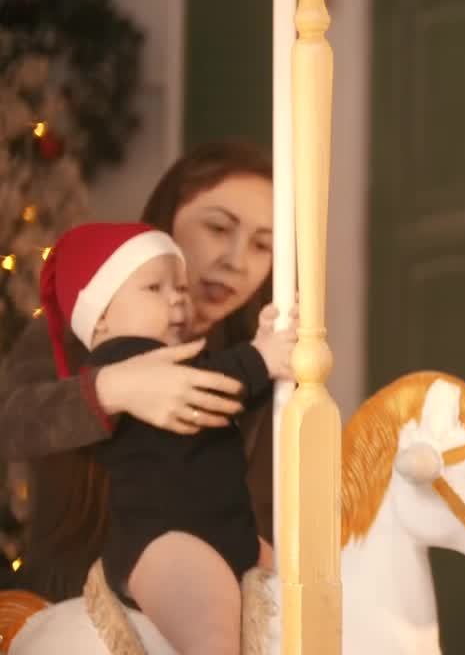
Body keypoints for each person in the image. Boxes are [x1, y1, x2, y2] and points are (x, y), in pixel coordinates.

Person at [0, 142, 276, 602]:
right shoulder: (76, 330)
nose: (236, 259)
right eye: (217, 227)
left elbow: (267, 510)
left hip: (212, 609)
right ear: (166, 222)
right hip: (73, 606)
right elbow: (9, 424)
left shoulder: (255, 364)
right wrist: (110, 389)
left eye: (262, 244)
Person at [38, 221, 294, 653]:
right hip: (167, 540)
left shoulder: (188, 363)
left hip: (229, 531)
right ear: (101, 319)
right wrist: (258, 359)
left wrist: (266, 358)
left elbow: (221, 395)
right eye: (154, 288)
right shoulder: (120, 363)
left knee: (300, 591)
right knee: (213, 633)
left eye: (179, 286)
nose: (177, 298)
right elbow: (215, 382)